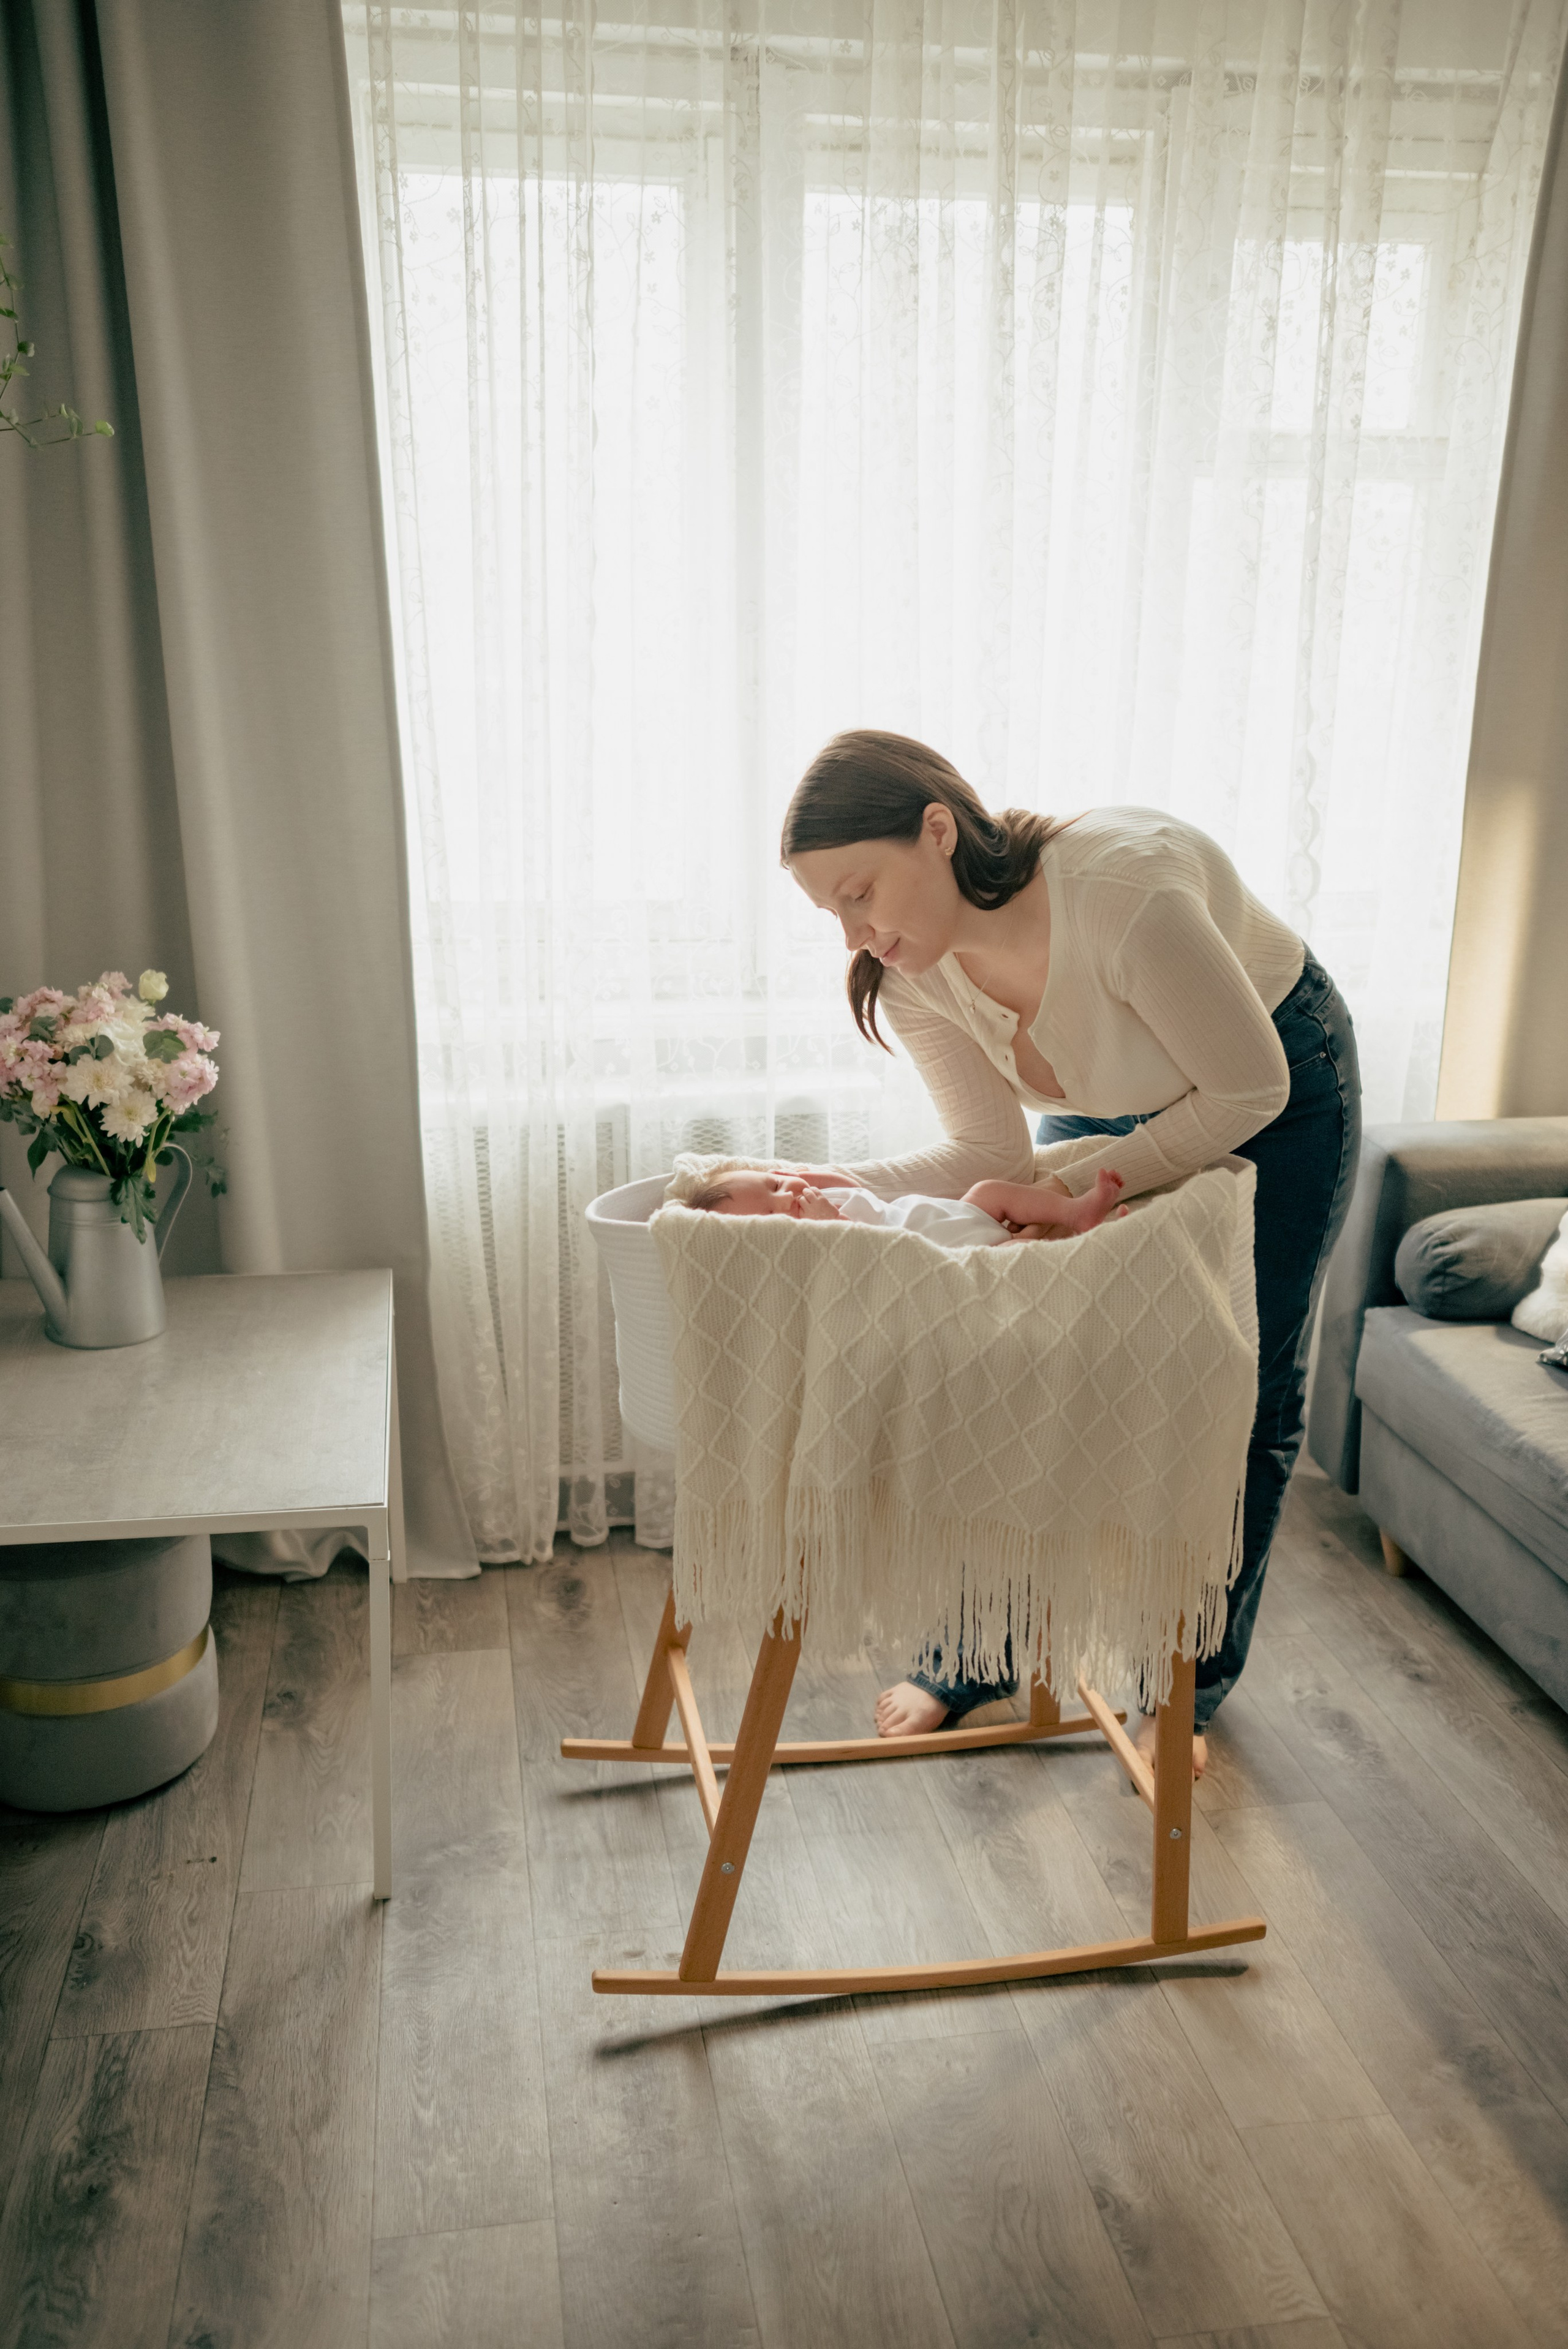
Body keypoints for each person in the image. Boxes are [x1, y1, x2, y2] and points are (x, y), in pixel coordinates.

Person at [775, 727, 1362, 1778]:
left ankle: (1186, 1682)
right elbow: (988, 1151)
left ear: (938, 830)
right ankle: (983, 1644)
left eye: (860, 893)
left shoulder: (1124, 894)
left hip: (1276, 1081)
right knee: (1037, 1364)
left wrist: (1099, 1186)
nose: (854, 935)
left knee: (1239, 1385)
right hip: (1119, 1099)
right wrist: (840, 1192)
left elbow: (1247, 1090)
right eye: (833, 914)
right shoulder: (911, 973)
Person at [676, 1162, 1128, 1246]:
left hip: (953, 1215)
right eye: (773, 1211)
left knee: (991, 1191)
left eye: (775, 1183)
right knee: (1022, 1257)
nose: (788, 1196)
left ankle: (1077, 1213)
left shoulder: (813, 1196)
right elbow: (862, 1256)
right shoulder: (815, 1237)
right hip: (948, 1253)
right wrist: (826, 1224)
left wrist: (802, 1174)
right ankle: (1091, 1238)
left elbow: (851, 1186)